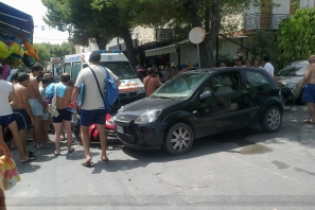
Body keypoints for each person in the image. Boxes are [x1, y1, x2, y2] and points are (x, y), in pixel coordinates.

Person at [71, 52, 120, 166]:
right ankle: (104, 154)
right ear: (99, 60)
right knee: (102, 130)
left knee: (84, 131)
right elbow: (118, 82)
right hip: (101, 106)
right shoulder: (105, 70)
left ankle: (87, 156)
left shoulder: (84, 71)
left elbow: (76, 89)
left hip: (86, 108)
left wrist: (72, 104)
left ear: (89, 60)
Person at [0, 65, 33, 163]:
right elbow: (14, 102)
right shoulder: (9, 85)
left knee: (0, 139)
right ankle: (23, 157)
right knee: (16, 135)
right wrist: (6, 105)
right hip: (8, 113)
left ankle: (3, 160)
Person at [12, 73, 36, 159]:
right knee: (23, 133)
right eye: (28, 80)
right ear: (25, 80)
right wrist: (31, 117)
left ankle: (23, 153)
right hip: (22, 112)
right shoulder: (23, 89)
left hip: (13, 111)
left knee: (17, 134)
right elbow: (26, 104)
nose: (29, 82)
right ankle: (24, 153)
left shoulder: (13, 87)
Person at [52, 73, 74, 156]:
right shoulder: (70, 88)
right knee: (68, 130)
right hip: (67, 109)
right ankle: (69, 148)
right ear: (68, 80)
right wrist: (71, 109)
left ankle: (57, 150)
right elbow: (72, 101)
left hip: (57, 110)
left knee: (57, 132)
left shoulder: (55, 86)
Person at [27, 64, 48, 149]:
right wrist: (42, 103)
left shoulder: (26, 77)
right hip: (35, 101)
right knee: (38, 124)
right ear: (35, 70)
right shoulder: (33, 79)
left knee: (33, 124)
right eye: (39, 71)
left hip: (29, 101)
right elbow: (37, 93)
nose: (40, 73)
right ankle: (39, 143)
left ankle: (35, 142)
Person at [298, 55, 315, 124]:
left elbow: (306, 77)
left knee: (310, 103)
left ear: (310, 61)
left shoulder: (310, 66)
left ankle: (313, 119)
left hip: (311, 86)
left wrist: (300, 86)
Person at [39, 78, 54, 144]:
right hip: (44, 110)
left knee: (42, 125)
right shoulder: (42, 90)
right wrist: (49, 108)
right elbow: (43, 101)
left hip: (41, 109)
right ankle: (47, 139)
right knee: (45, 126)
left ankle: (42, 137)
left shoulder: (39, 88)